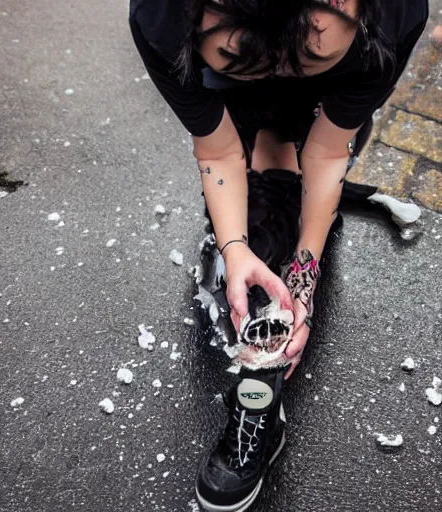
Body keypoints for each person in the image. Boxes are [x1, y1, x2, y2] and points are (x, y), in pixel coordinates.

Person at [129, 1, 428, 510]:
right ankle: (272, 173)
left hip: (325, 102)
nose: (280, 74)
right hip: (229, 99)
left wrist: (305, 269)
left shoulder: (397, 10)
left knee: (296, 193)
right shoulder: (159, 17)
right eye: (243, 56)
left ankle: (285, 180)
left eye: (308, 55)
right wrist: (236, 246)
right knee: (254, 208)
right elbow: (218, 151)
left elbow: (330, 149)